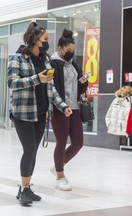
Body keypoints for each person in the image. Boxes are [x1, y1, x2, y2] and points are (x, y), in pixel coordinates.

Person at [7, 22, 73, 206]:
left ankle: (27, 187)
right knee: (29, 149)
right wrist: (37, 78)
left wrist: (62, 106)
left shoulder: (45, 61)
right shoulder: (17, 58)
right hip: (23, 114)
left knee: (33, 151)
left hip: (41, 113)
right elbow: (12, 83)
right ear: (34, 39)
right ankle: (23, 189)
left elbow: (50, 88)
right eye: (45, 39)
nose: (47, 42)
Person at [49, 29, 88, 191]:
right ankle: (60, 176)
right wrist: (61, 105)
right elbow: (51, 88)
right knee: (62, 141)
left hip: (75, 108)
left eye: (73, 51)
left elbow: (79, 87)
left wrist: (84, 81)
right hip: (59, 109)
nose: (71, 54)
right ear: (60, 48)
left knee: (78, 143)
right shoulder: (52, 62)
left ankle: (58, 164)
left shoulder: (74, 64)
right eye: (69, 51)